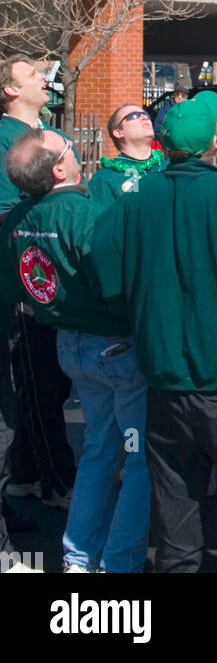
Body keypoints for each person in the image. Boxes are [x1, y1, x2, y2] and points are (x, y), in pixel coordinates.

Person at [89, 91, 217, 573]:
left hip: (165, 386)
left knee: (176, 523)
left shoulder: (136, 200)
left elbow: (107, 275)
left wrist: (147, 314)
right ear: (212, 141)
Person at [0, 129, 149, 573]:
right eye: (67, 146)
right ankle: (119, 562)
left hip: (69, 343)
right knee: (139, 458)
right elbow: (119, 285)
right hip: (115, 345)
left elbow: (15, 287)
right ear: (61, 167)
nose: (75, 148)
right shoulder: (87, 216)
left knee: (99, 449)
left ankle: (79, 556)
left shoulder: (16, 220)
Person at [0, 58, 76, 513]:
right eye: (32, 75)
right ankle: (56, 479)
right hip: (24, 283)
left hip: (63, 281)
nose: (43, 80)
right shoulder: (5, 137)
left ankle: (25, 472)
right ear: (9, 90)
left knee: (56, 378)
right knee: (38, 379)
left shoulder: (52, 132)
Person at [87, 102, 166, 206]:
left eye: (145, 114)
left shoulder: (169, 167)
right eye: (134, 115)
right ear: (119, 132)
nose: (143, 117)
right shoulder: (105, 179)